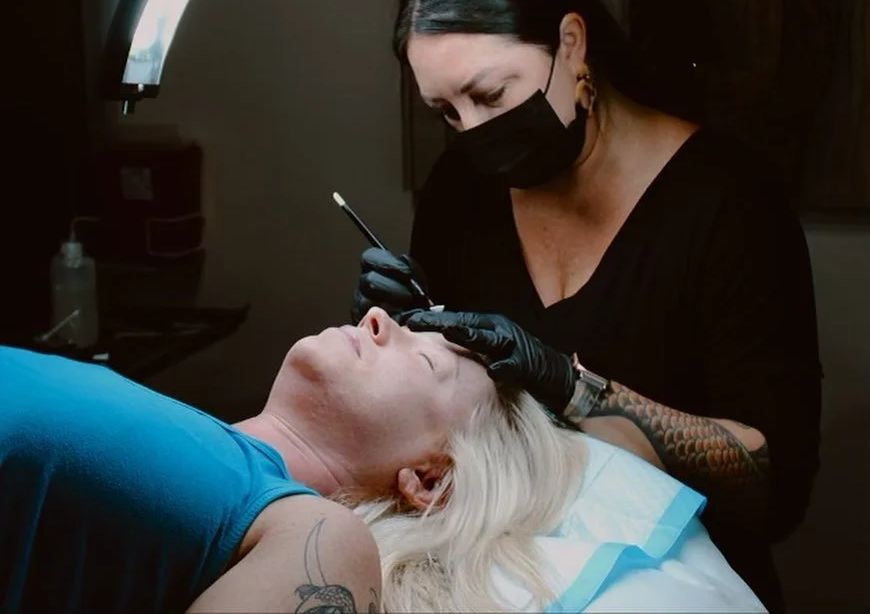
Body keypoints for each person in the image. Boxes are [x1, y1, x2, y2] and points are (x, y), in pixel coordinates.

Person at [354, 0, 823, 612]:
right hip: (508, 580)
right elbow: (444, 420)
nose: (472, 131)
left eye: (491, 95)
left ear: (571, 44)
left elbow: (773, 484)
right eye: (445, 112)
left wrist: (573, 388)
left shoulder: (729, 204)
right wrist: (399, 328)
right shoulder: (463, 191)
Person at [1, 309, 764, 614]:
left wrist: (570, 383)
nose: (376, 316)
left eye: (426, 360)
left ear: (428, 480)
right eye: (404, 325)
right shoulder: (197, 442)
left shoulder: (323, 544)